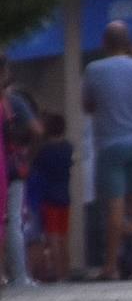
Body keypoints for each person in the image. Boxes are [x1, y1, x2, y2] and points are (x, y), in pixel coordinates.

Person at [83, 21, 132, 281]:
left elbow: (88, 105)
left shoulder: (94, 70)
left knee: (114, 205)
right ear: (128, 42)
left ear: (104, 43)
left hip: (110, 143)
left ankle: (110, 266)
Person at [1, 57, 42, 286]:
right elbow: (36, 130)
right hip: (11, 168)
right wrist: (27, 155)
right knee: (13, 220)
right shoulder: (13, 102)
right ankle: (18, 275)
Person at [27, 112, 73, 282]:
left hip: (49, 199)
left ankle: (57, 271)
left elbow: (32, 165)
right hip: (65, 197)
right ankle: (66, 271)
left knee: (52, 236)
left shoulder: (44, 151)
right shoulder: (67, 148)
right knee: (64, 236)